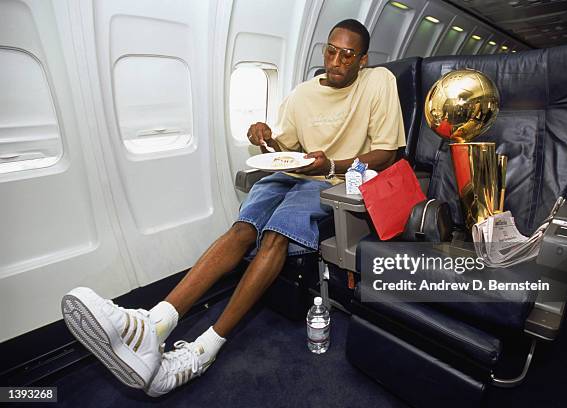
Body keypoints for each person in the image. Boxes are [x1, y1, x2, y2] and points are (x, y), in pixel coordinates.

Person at [60, 19, 405, 397]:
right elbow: (282, 153)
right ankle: (152, 325)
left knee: (275, 235)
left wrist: (333, 166)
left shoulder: (378, 83)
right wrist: (264, 137)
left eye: (347, 55)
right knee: (241, 230)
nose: (336, 61)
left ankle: (204, 349)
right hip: (298, 174)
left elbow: (388, 152)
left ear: (363, 60)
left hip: (337, 180)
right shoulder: (302, 94)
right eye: (331, 51)